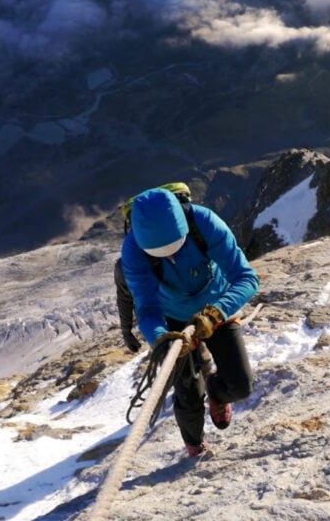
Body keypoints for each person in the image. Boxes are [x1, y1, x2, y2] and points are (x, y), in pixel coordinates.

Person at [120, 187, 259, 457]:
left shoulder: (204, 222)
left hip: (217, 305)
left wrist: (216, 313)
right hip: (173, 319)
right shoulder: (134, 251)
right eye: (161, 254)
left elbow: (246, 277)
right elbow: (147, 309)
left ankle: (218, 393)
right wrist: (161, 337)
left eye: (175, 248)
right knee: (186, 391)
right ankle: (195, 444)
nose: (170, 257)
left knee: (241, 385)